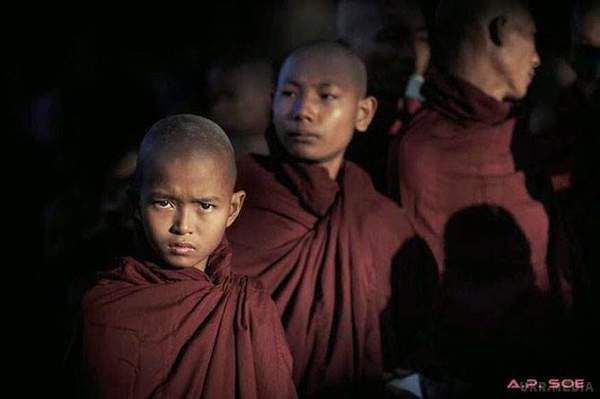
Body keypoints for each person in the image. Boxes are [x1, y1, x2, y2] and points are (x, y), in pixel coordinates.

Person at [388, 0, 582, 387]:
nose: (538, 58)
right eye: (531, 39)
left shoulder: (534, 135)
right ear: (500, 31)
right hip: (457, 374)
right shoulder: (421, 146)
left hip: (552, 360)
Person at [227, 41, 415, 397]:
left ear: (364, 113)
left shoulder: (383, 222)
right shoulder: (232, 195)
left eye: (326, 96)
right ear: (272, 102)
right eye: (288, 93)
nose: (302, 111)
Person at [75, 115, 297, 399]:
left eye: (205, 205)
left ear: (232, 209)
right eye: (164, 202)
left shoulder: (250, 308)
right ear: (136, 204)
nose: (183, 226)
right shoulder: (107, 310)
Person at [336, 0, 430, 191]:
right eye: (392, 37)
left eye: (421, 38)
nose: (410, 54)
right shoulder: (322, 132)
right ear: (345, 48)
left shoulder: (429, 122)